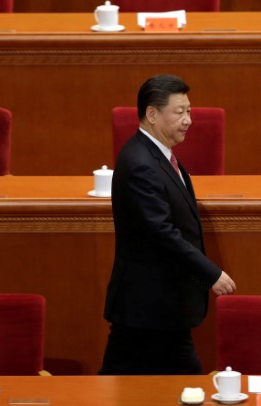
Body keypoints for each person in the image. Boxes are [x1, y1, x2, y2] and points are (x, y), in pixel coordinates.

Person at [100, 74, 236, 375]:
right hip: (145, 306)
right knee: (120, 385)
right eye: (180, 111)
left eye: (189, 111)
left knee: (168, 382)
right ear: (152, 114)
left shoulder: (156, 156)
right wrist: (209, 272)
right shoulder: (141, 164)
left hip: (160, 306)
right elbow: (160, 232)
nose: (188, 120)